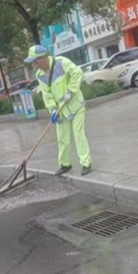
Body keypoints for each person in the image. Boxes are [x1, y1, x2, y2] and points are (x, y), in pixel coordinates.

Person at [24, 44, 92, 176]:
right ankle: (65, 164)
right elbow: (47, 95)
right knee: (62, 138)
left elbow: (77, 73)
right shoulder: (40, 75)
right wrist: (53, 110)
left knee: (79, 135)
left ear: (43, 58)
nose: (34, 65)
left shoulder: (61, 63)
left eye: (35, 61)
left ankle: (86, 163)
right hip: (61, 111)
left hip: (75, 106)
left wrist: (71, 90)